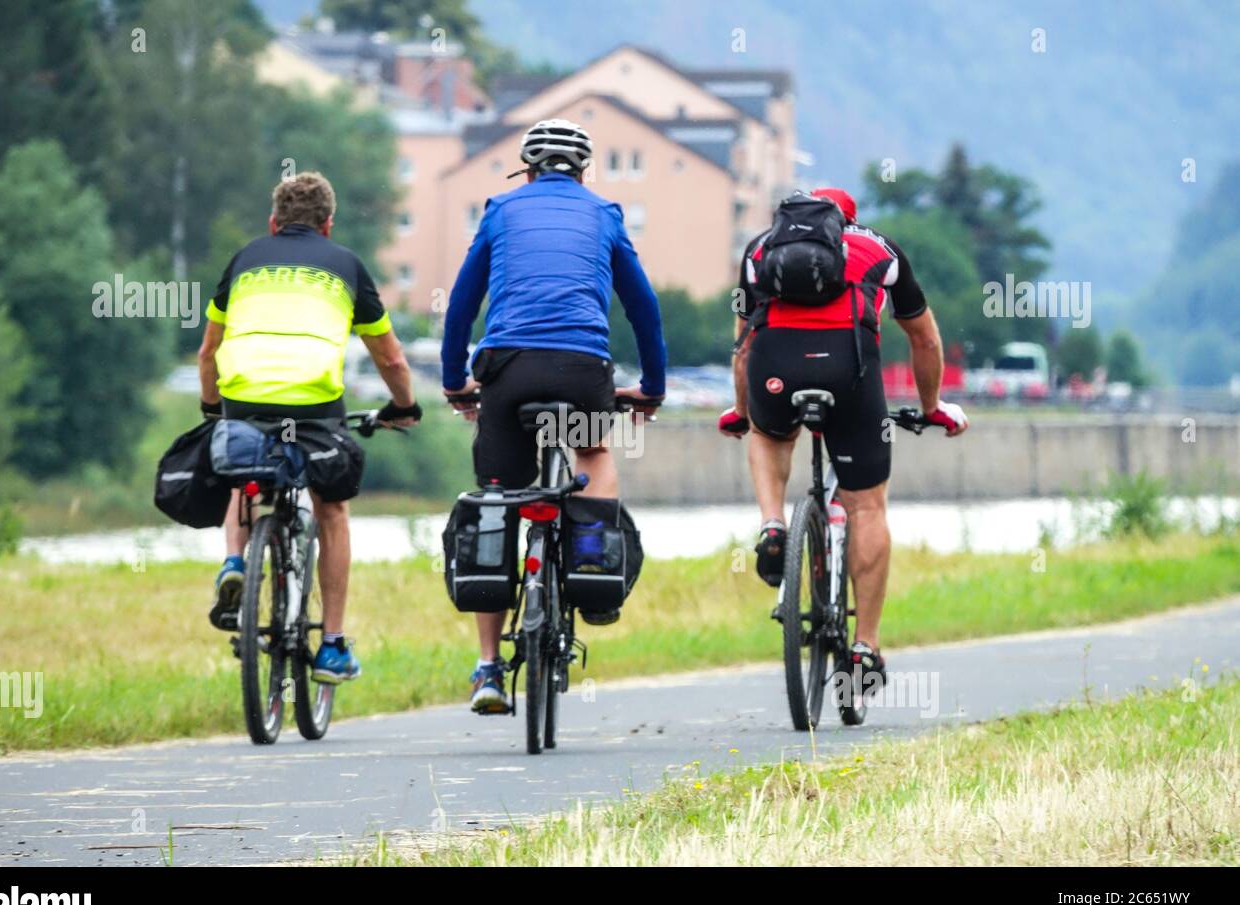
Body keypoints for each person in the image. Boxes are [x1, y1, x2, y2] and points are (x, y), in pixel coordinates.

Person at [440, 118, 667, 714]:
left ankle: (489, 669)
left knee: (496, 499)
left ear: (527, 167)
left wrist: (453, 382)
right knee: (592, 455)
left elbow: (463, 303)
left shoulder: (498, 211)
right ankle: (592, 568)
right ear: (585, 170)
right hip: (580, 369)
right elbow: (643, 307)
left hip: (508, 371)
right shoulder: (605, 214)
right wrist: (653, 386)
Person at [719, 187, 967, 688]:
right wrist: (931, 407)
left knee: (768, 436)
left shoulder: (760, 250)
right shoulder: (881, 249)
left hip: (775, 370)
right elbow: (925, 338)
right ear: (845, 221)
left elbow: (743, 346)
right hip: (850, 373)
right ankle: (864, 646)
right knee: (868, 506)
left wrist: (742, 412)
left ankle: (772, 524)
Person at [198, 171, 421, 683]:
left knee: (242, 468)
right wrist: (403, 407)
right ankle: (334, 646)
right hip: (315, 403)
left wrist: (214, 407)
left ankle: (235, 562)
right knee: (332, 508)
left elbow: (209, 350)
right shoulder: (346, 266)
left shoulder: (244, 261)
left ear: (273, 223)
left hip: (244, 394)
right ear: (328, 226)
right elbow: (390, 358)